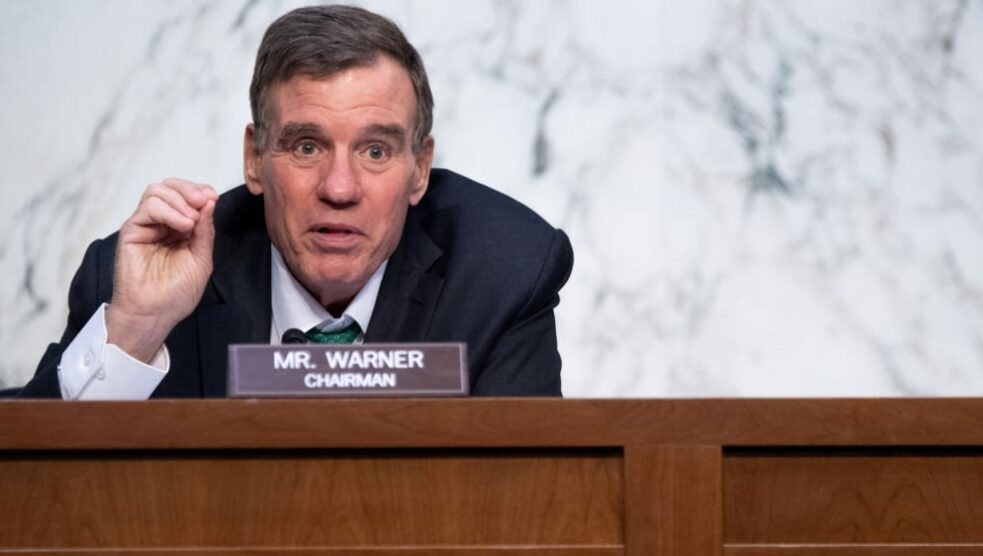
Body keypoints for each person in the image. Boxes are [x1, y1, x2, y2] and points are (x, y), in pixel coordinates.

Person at [19, 5, 572, 399]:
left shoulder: (505, 271)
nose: (339, 188)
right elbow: (27, 498)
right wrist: (134, 333)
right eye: (306, 146)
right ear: (255, 158)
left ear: (419, 168)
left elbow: (529, 505)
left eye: (375, 151)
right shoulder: (141, 279)